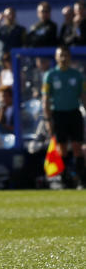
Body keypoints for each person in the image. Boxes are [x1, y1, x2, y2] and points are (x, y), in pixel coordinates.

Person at [42, 45, 86, 188]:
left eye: (66, 55)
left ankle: (81, 178)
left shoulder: (77, 75)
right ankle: (65, 179)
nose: (63, 58)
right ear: (56, 57)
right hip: (59, 114)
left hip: (74, 112)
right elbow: (46, 99)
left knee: (77, 146)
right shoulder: (50, 75)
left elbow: (83, 97)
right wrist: (48, 119)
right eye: (60, 55)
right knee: (62, 147)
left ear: (70, 57)